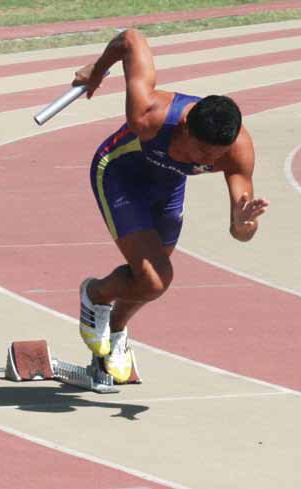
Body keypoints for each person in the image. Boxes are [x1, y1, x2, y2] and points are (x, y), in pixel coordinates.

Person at [71, 29, 269, 383]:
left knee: (148, 282)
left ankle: (116, 330)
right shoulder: (149, 115)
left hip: (167, 188)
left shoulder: (237, 151)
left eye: (217, 156)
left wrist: (243, 224)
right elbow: (131, 39)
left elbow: (241, 232)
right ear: (185, 128)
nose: (209, 162)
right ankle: (95, 294)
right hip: (119, 175)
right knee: (155, 278)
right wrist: (98, 71)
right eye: (203, 153)